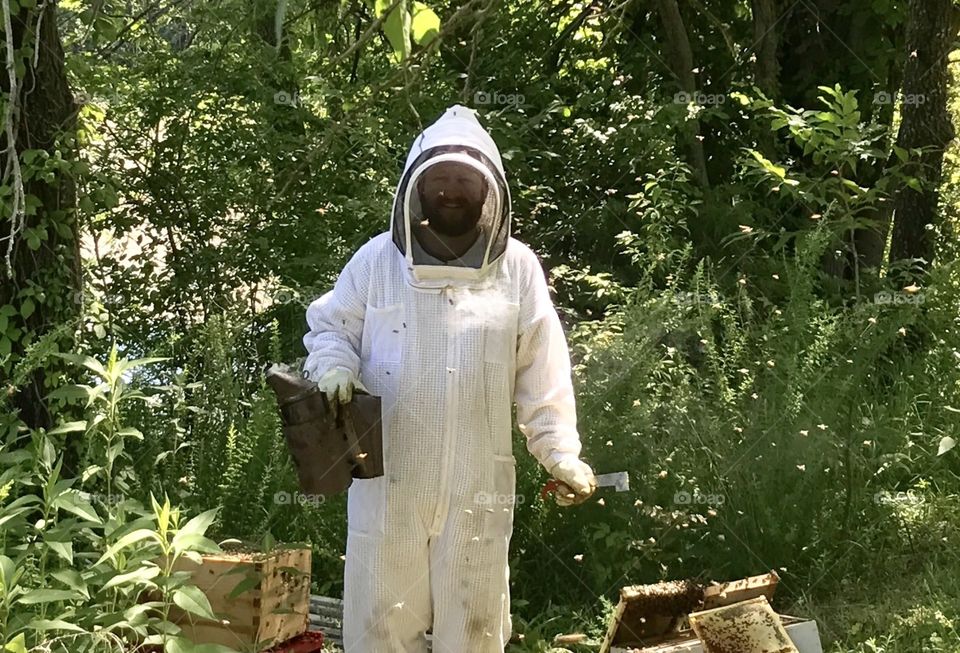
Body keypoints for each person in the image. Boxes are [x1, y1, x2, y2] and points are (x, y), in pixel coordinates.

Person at [302, 104, 596, 652]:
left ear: (490, 190)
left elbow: (542, 366)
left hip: (478, 485)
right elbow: (329, 327)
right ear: (417, 186)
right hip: (387, 481)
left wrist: (560, 454)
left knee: (476, 628)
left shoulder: (518, 268)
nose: (452, 190)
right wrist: (336, 366)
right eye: (441, 178)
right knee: (379, 629)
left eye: (465, 179)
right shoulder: (375, 262)